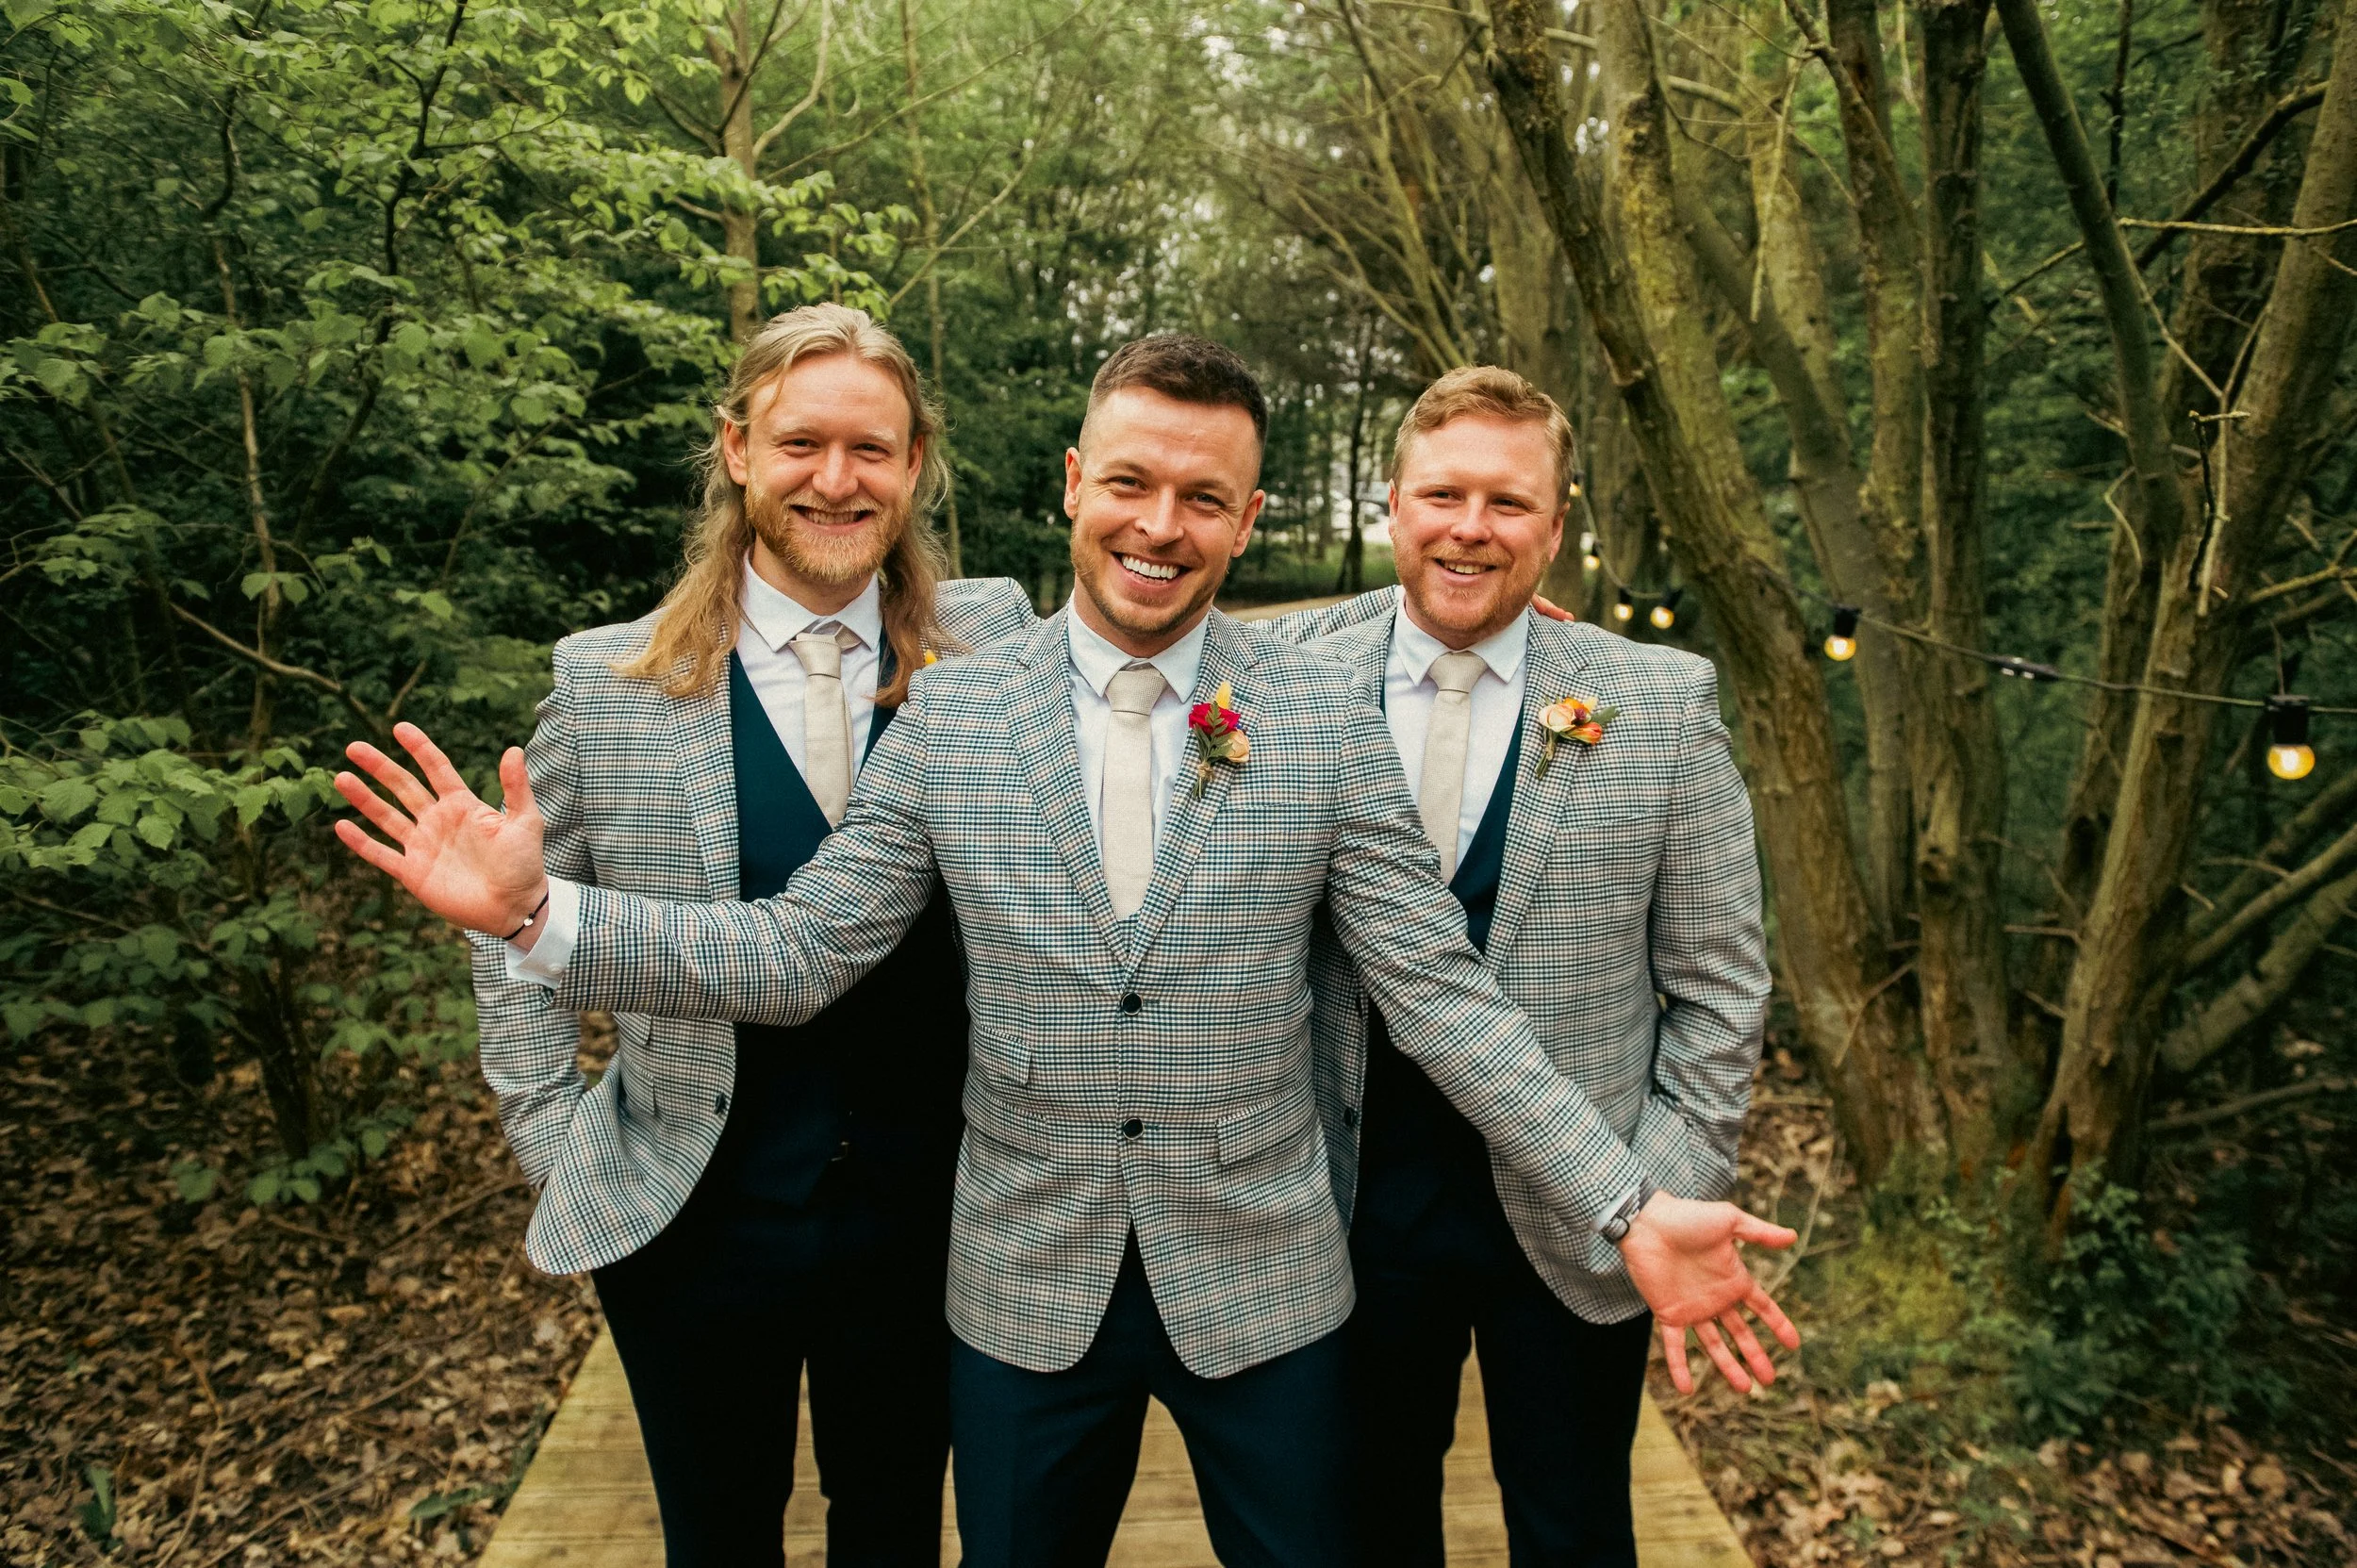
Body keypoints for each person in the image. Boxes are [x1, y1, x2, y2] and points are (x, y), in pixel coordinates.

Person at [333, 335, 1797, 1568]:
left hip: (1271, 1287)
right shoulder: (956, 710)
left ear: (1247, 516)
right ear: (1074, 485)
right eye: (1134, 484)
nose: (1161, 524)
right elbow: (797, 951)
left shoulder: (1320, 716)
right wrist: (542, 916)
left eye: (1204, 497)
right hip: (1023, 1288)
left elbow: (1442, 994)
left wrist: (1628, 1201)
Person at [467, 304, 1034, 1568]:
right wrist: (556, 1144)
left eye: (872, 449)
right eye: (801, 443)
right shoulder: (606, 687)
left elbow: (1173, 643)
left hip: (934, 1204)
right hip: (692, 1210)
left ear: (916, 461)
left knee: (892, 1526)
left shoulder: (997, 641)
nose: (837, 481)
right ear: (737, 448)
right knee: (717, 1536)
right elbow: (512, 923)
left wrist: (1482, 622)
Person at [1299, 367, 1771, 1567]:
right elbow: (1080, 641)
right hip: (1345, 1200)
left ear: (1555, 529)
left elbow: (1720, 985)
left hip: (1578, 1214)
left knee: (1572, 1528)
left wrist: (1658, 1186)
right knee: (1364, 1518)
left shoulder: (1659, 702)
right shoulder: (1286, 670)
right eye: (1443, 494)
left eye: (1508, 504)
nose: (1471, 527)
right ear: (1393, 507)